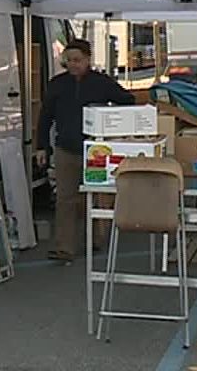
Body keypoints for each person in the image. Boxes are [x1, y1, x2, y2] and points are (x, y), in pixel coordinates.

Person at [36, 39, 135, 263]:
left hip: (96, 149)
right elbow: (45, 116)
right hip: (65, 148)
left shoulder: (102, 82)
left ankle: (98, 239)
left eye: (77, 60)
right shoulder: (57, 84)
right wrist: (42, 146)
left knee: (99, 196)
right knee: (65, 198)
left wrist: (112, 123)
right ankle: (64, 248)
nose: (73, 64)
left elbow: (127, 100)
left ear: (88, 60)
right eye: (68, 60)